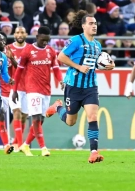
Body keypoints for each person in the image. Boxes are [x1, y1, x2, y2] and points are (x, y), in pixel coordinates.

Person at [45, 10, 115, 163]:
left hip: (90, 86)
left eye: (95, 23)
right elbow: (61, 57)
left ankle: (94, 152)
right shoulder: (76, 41)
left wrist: (110, 65)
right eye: (91, 23)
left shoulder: (97, 45)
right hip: (74, 86)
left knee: (93, 116)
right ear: (83, 26)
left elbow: (102, 62)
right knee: (71, 122)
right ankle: (57, 107)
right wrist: (78, 66)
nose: (94, 26)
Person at [12, 26, 63, 157]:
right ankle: (43, 148)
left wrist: (61, 80)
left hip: (46, 90)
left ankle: (26, 145)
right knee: (35, 118)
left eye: (47, 40)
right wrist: (15, 90)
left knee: (40, 120)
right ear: (37, 37)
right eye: (43, 40)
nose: (45, 43)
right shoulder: (28, 50)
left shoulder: (51, 51)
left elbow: (56, 68)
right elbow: (18, 71)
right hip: (32, 89)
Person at [8, 27, 29, 152]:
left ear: (26, 34)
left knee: (24, 116)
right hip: (14, 87)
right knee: (16, 112)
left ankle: (16, 142)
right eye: (17, 32)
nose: (20, 34)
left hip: (27, 88)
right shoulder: (8, 48)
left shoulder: (30, 49)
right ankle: (21, 145)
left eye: (22, 32)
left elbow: (25, 69)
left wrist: (12, 59)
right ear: (14, 34)